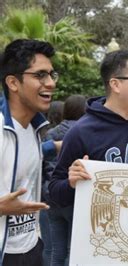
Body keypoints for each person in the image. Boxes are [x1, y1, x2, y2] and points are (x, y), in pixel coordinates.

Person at [49, 50, 128, 208]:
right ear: (115, 84)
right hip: (98, 229)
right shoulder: (81, 132)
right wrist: (72, 183)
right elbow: (55, 193)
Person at [0, 39, 56, 265]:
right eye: (40, 75)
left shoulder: (35, 129)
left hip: (32, 249)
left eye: (52, 75)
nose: (51, 83)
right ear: (13, 82)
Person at [43, 95, 86, 265]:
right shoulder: (84, 131)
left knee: (54, 249)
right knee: (72, 250)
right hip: (72, 196)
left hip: (50, 195)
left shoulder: (50, 133)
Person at [39, 99, 64, 266]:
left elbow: (45, 167)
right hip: (67, 193)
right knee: (67, 247)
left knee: (49, 247)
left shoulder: (45, 134)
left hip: (47, 197)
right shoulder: (79, 131)